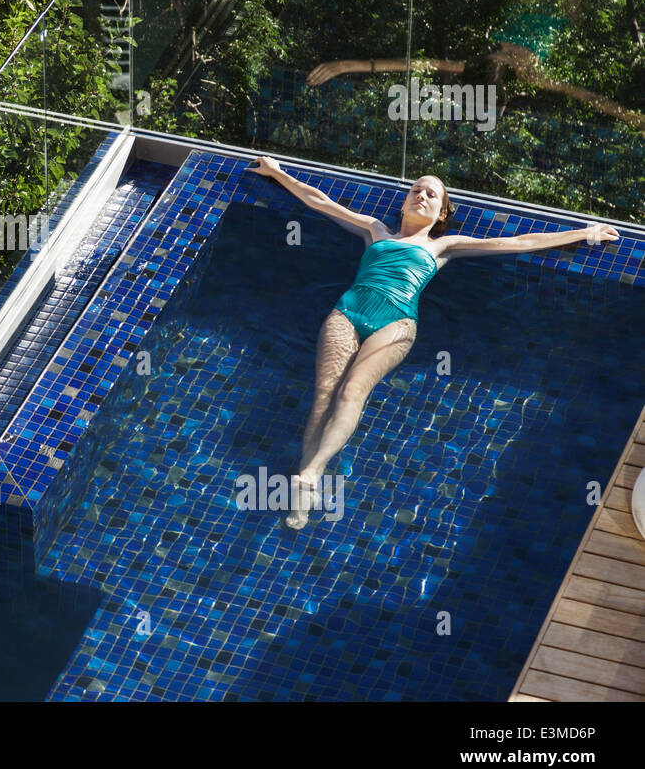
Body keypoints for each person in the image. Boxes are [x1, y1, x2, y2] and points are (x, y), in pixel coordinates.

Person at [246, 155, 620, 529]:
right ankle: (305, 487)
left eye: (431, 194)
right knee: (325, 392)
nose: (421, 195)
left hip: (395, 323)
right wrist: (279, 174)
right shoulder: (376, 230)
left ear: (441, 214)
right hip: (348, 310)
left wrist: (582, 234)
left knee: (352, 391)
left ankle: (312, 470)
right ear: (405, 200)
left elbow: (517, 241)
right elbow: (322, 202)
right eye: (416, 189)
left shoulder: (444, 246)